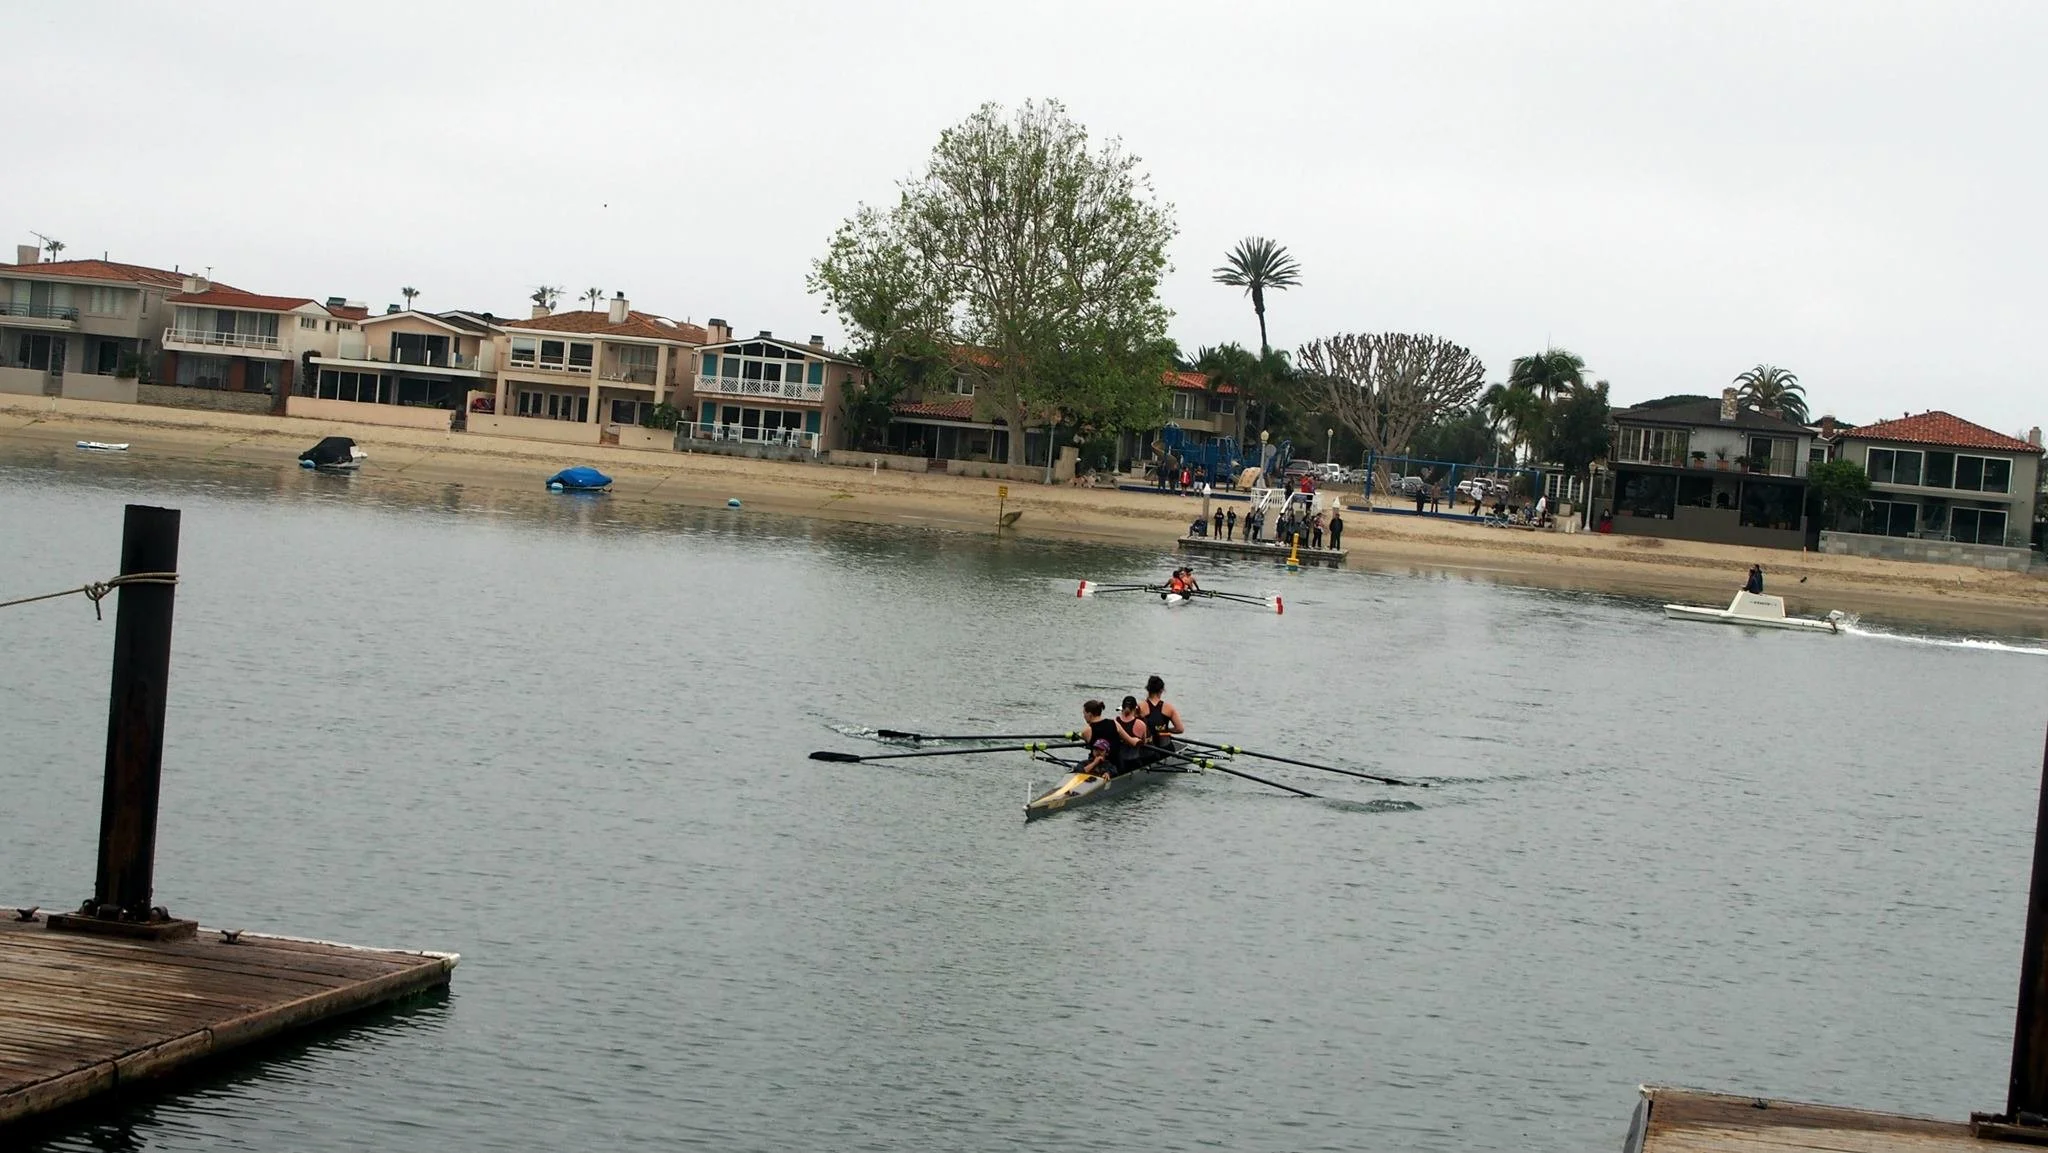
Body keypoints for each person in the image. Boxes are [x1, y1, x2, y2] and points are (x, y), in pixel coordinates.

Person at [1142, 675, 1186, 747]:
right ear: (1161, 690)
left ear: (1148, 689)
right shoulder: (1169, 708)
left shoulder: (1139, 707)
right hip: (1165, 749)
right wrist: (1165, 730)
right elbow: (1180, 729)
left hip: (1147, 749)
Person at [1110, 696, 1151, 774]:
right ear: (1135, 709)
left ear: (1122, 707)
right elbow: (1144, 742)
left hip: (1117, 764)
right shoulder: (1141, 724)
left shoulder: (1114, 722)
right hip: (1134, 763)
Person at [1079, 699, 1118, 777]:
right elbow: (1131, 741)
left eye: (1084, 713)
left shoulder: (1086, 730)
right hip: (1115, 763)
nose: (1084, 716)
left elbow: (1085, 740)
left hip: (1106, 767)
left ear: (1089, 714)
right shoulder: (1114, 723)